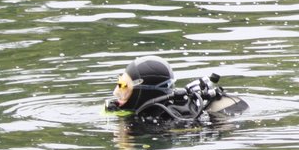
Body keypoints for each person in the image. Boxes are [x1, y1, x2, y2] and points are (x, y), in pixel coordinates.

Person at [103, 55, 248, 126]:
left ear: (143, 90)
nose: (117, 92)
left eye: (123, 86)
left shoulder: (161, 119)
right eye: (119, 83)